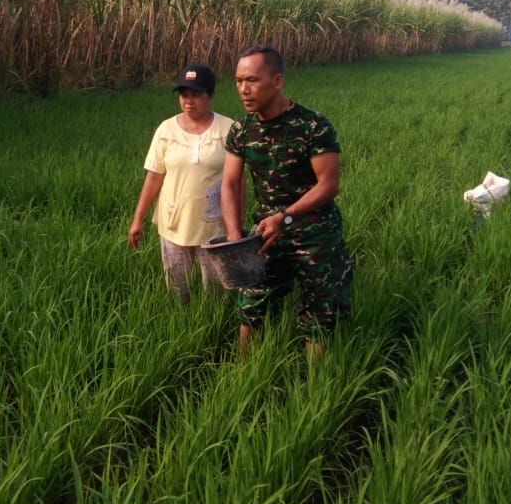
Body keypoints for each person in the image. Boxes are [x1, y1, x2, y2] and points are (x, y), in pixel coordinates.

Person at [220, 45, 352, 363]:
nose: (243, 89)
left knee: (320, 310)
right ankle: (246, 374)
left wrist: (286, 216)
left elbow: (329, 185)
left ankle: (313, 391)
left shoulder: (313, 126)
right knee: (251, 305)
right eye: (238, 81)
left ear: (277, 81)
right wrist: (235, 233)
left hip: (315, 233)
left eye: (252, 80)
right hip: (266, 234)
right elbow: (229, 183)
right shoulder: (241, 131)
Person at [129, 64, 237, 305]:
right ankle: (181, 325)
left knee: (216, 292)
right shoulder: (166, 130)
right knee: (178, 291)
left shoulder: (228, 129)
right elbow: (154, 176)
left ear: (211, 96)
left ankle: (213, 327)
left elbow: (236, 182)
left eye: (196, 95)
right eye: (184, 95)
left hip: (214, 224)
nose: (189, 101)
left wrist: (235, 226)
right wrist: (138, 219)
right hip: (174, 220)